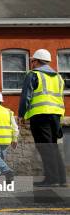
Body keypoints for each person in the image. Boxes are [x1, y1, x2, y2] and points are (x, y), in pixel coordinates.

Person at [18, 49, 67, 187]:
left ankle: (52, 179)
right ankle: (61, 179)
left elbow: (25, 97)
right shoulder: (58, 77)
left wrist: (21, 114)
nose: (31, 63)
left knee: (45, 147)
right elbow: (61, 98)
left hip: (40, 116)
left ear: (36, 61)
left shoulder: (33, 75)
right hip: (56, 116)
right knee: (53, 146)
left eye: (32, 61)